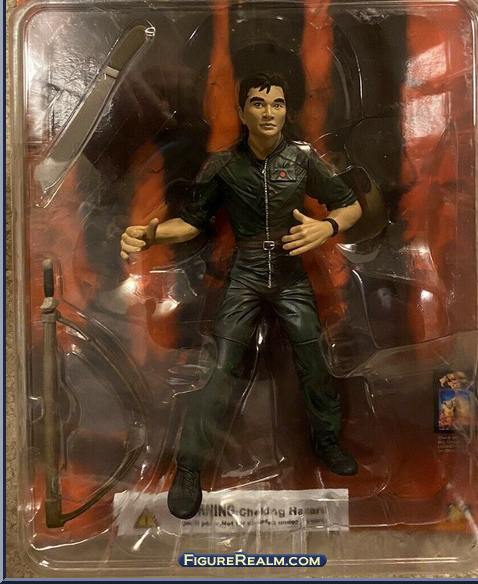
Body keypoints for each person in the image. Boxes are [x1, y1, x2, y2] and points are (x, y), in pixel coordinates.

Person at [120, 72, 362, 519]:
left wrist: (327, 226)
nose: (269, 112)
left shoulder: (302, 158)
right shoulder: (223, 165)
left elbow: (351, 205)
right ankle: (188, 467)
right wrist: (149, 234)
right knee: (217, 368)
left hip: (290, 274)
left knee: (314, 360)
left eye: (277, 104)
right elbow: (192, 223)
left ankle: (327, 440)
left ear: (287, 111)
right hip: (245, 274)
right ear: (242, 111)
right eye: (258, 103)